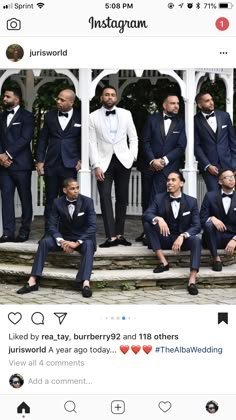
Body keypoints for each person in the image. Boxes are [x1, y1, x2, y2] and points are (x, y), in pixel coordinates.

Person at [16, 178, 96, 298]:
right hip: (64, 238)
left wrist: (76, 243)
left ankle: (85, 283)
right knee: (44, 242)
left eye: (77, 188)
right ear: (65, 190)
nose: (76, 191)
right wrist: (62, 241)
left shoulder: (87, 202)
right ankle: (32, 281)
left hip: (81, 238)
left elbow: (92, 227)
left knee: (89, 245)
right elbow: (51, 225)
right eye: (72, 188)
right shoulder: (57, 202)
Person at [89, 85, 138, 248]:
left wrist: (132, 157)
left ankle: (120, 234)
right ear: (101, 98)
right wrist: (96, 164)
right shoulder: (92, 116)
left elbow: (134, 138)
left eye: (112, 95)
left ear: (116, 98)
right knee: (104, 196)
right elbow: (92, 142)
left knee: (122, 198)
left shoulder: (126, 114)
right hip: (103, 163)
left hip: (124, 160)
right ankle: (111, 237)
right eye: (106, 95)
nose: (110, 97)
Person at [143, 171, 201, 295]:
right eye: (168, 180)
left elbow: (197, 226)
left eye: (173, 180)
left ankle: (192, 279)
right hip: (165, 238)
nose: (169, 182)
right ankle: (164, 262)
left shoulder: (191, 201)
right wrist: (158, 218)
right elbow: (147, 214)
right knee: (149, 224)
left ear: (181, 183)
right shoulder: (159, 198)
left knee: (196, 240)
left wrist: (183, 235)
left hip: (182, 240)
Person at [36, 89, 81, 232]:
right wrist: (39, 160)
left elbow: (85, 141)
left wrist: (81, 159)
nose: (58, 101)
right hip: (51, 164)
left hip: (70, 165)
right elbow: (42, 139)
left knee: (68, 200)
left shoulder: (81, 117)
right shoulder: (49, 116)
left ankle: (66, 233)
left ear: (71, 102)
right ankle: (49, 233)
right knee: (50, 200)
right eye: (58, 98)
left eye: (62, 100)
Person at [0, 87, 35, 242]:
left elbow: (25, 138)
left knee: (25, 198)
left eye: (7, 96)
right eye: (4, 96)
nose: (4, 99)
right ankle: (8, 232)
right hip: (3, 166)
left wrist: (7, 154)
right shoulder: (1, 116)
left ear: (17, 99)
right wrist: (1, 156)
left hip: (21, 165)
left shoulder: (27, 117)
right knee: (6, 198)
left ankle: (24, 231)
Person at [142, 94, 187, 201]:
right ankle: (148, 218)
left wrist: (163, 161)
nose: (176, 106)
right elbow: (145, 142)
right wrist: (153, 161)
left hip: (169, 168)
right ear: (164, 105)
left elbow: (181, 147)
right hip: (149, 167)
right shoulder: (151, 119)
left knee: (163, 201)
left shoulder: (181, 123)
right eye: (173, 103)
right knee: (147, 199)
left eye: (178, 103)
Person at [194, 92, 236, 191]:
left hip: (228, 166)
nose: (211, 102)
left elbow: (232, 142)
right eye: (207, 101)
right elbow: (196, 146)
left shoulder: (224, 116)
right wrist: (207, 165)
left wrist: (234, 164)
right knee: (214, 197)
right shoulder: (194, 121)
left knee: (229, 196)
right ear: (200, 105)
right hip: (210, 168)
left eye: (211, 100)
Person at [200, 169, 236, 272]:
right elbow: (201, 218)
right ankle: (216, 259)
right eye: (227, 177)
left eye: (232, 177)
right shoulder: (210, 196)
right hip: (214, 238)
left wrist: (235, 239)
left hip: (232, 238)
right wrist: (211, 218)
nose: (231, 180)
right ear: (220, 182)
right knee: (208, 224)